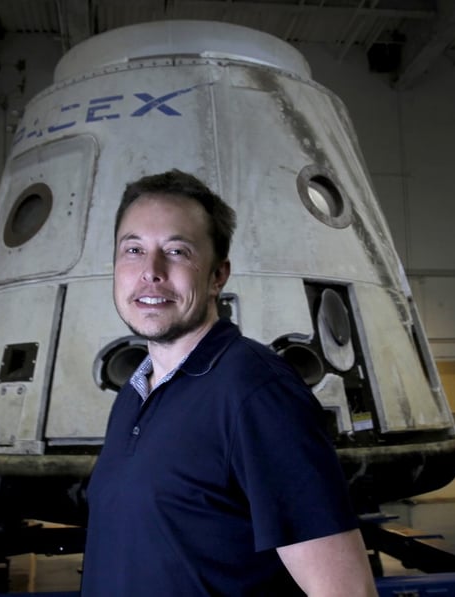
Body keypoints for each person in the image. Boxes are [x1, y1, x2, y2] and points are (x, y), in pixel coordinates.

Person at [81, 169, 376, 596]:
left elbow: (346, 592)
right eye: (133, 250)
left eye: (177, 251)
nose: (151, 271)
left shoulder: (256, 394)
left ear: (218, 276)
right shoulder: (132, 395)